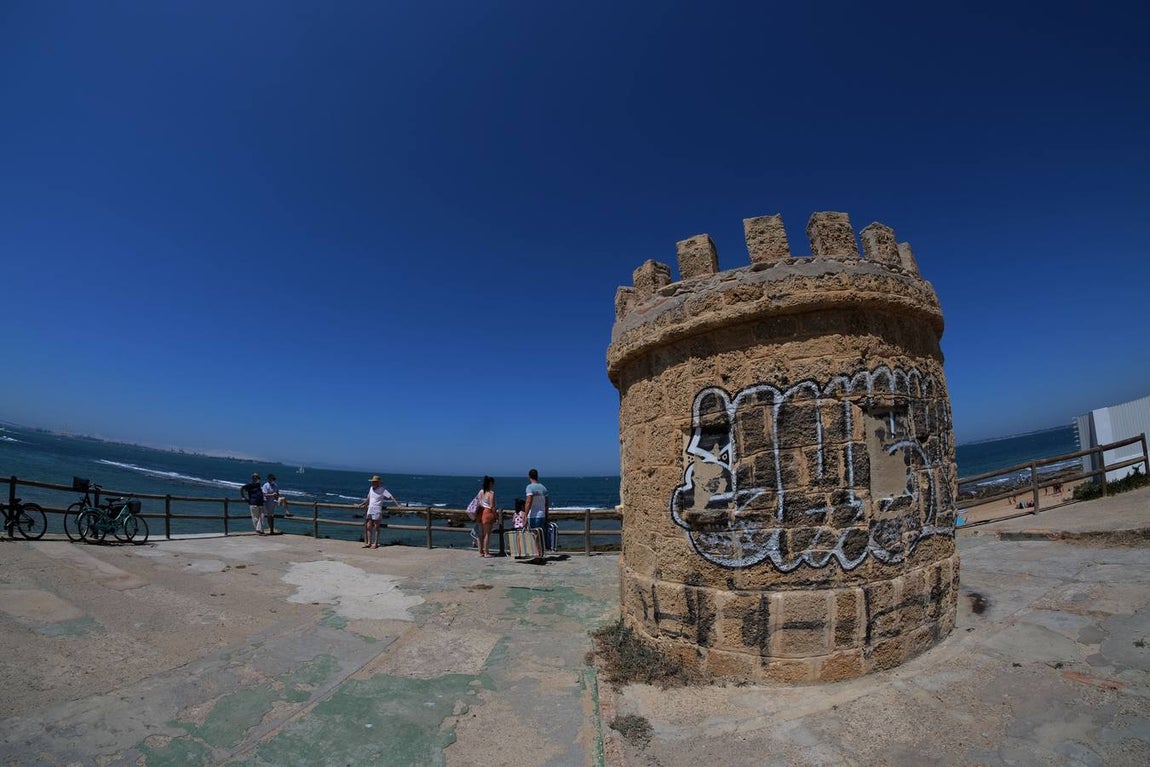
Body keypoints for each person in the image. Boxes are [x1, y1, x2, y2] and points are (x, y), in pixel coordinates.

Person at [360, 475, 400, 549]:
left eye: (374, 482)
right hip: (370, 509)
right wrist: (362, 504)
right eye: (372, 482)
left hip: (377, 509)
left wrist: (397, 505)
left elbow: (391, 496)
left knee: (376, 527)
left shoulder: (382, 490)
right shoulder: (371, 488)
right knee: (368, 526)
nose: (373, 483)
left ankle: (375, 543)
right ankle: (369, 542)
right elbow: (368, 498)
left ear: (378, 482)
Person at [524, 468, 549, 549]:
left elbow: (528, 502)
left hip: (533, 515)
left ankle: (536, 553)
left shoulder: (529, 487)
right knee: (539, 535)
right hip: (542, 515)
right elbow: (546, 503)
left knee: (533, 535)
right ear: (537, 476)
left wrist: (525, 515)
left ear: (529, 477)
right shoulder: (543, 488)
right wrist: (546, 515)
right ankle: (539, 552)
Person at [476, 476, 497, 558]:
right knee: (487, 534)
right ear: (490, 483)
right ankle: (486, 552)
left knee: (480, 534)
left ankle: (480, 552)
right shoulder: (491, 493)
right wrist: (495, 516)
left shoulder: (481, 491)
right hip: (487, 513)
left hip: (480, 512)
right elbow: (492, 506)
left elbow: (478, 502)